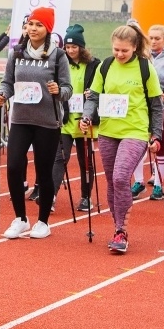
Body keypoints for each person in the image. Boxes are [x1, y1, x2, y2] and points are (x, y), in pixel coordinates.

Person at [80, 22, 164, 253]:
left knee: (120, 177)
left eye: (124, 51)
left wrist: (156, 135)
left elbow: (156, 105)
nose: (119, 54)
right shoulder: (105, 66)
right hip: (108, 131)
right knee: (111, 181)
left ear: (135, 47)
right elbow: (93, 97)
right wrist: (87, 116)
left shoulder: (146, 68)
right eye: (116, 49)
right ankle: (117, 227)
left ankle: (121, 230)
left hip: (135, 131)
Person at [0, 6, 72, 239]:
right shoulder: (16, 53)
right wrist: (2, 94)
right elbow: (8, 83)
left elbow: (68, 89)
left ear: (48, 29)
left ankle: (43, 222)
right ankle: (20, 219)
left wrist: (59, 90)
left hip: (47, 121)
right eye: (31, 24)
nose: (34, 28)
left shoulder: (58, 56)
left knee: (44, 172)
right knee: (15, 167)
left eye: (39, 25)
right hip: (20, 119)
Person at [50, 24, 101, 212]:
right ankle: (51, 197)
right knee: (59, 159)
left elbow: (101, 87)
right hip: (65, 118)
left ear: (82, 47)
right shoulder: (60, 63)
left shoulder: (94, 64)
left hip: (85, 119)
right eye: (68, 47)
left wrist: (93, 92)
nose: (70, 50)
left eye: (74, 47)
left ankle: (86, 197)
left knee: (85, 160)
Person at [130, 25, 164, 197]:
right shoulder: (142, 57)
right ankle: (138, 182)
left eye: (157, 38)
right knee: (138, 145)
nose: (153, 41)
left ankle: (159, 185)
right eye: (150, 38)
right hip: (142, 108)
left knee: (159, 145)